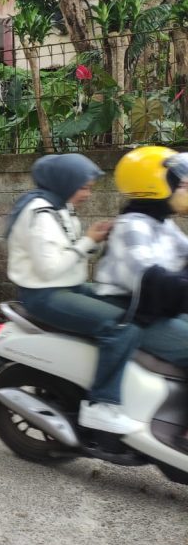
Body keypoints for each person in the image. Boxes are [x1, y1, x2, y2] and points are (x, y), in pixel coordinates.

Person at [5, 153, 144, 433]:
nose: (87, 194)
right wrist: (88, 241)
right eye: (84, 187)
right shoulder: (39, 213)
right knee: (121, 325)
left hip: (70, 287)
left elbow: (70, 253)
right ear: (64, 182)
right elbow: (49, 269)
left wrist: (96, 239)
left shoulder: (60, 208)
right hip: (44, 295)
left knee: (135, 306)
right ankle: (102, 404)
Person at [94, 146, 188, 450]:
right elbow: (150, 279)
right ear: (158, 185)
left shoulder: (161, 223)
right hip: (134, 312)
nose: (186, 189)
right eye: (183, 184)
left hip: (157, 308)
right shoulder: (133, 224)